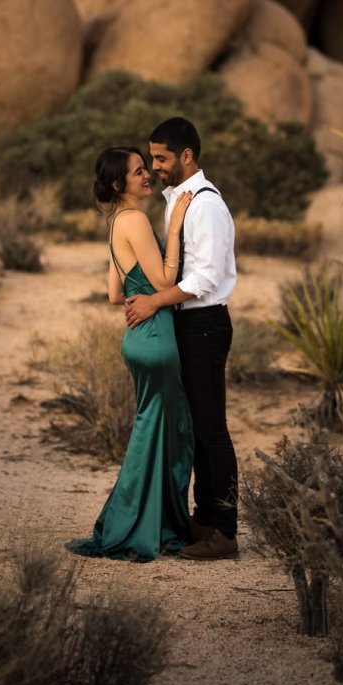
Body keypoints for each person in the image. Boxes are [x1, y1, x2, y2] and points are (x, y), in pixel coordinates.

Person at [66, 146, 194, 562]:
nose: (147, 176)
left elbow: (113, 293)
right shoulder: (136, 219)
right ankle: (139, 527)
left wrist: (144, 286)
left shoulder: (116, 222)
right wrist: (173, 229)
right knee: (166, 434)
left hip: (137, 337)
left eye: (146, 169)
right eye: (139, 172)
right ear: (119, 183)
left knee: (151, 432)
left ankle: (143, 521)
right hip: (156, 335)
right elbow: (164, 280)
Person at [124, 117, 239, 560]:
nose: (153, 167)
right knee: (195, 429)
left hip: (205, 324)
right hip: (189, 324)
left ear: (187, 155)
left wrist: (153, 302)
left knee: (211, 430)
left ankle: (223, 532)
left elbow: (207, 278)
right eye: (151, 158)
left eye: (161, 158)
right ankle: (203, 519)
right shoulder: (178, 201)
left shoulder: (204, 204)